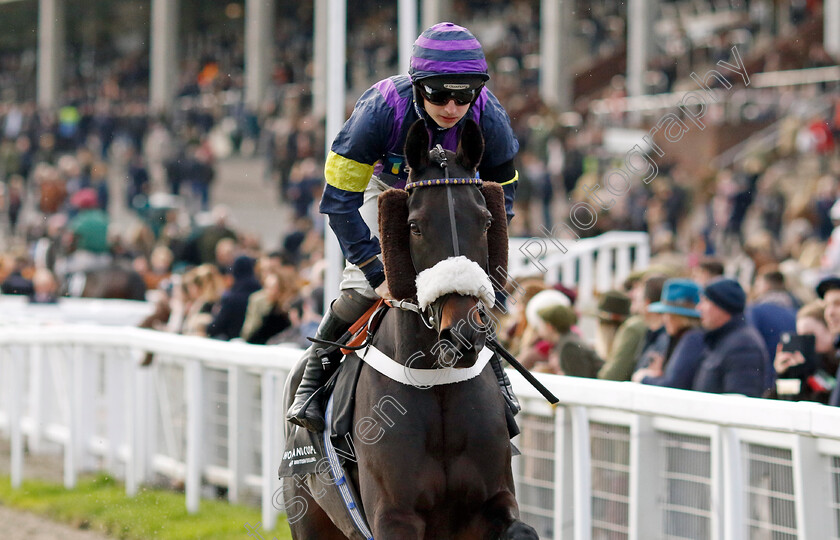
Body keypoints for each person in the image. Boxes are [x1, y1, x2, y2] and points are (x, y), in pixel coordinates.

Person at [287, 22, 520, 432]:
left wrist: (488, 262)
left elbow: (503, 197)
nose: (451, 106)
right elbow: (338, 201)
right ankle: (311, 380)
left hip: (456, 188)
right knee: (360, 288)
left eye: (464, 94)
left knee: (473, 284)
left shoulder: (489, 115)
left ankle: (495, 370)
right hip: (389, 188)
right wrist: (375, 272)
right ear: (417, 85)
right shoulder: (379, 110)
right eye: (438, 94)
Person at [692, 278, 767, 397]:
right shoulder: (721, 338)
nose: (699, 308)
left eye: (705, 301)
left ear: (721, 306)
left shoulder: (744, 346)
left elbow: (739, 403)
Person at [632, 279, 705, 389]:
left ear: (678, 317)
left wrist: (643, 378)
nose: (664, 319)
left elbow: (674, 384)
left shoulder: (692, 338)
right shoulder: (681, 337)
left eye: (667, 314)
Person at [773, 300, 836, 403]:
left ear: (830, 330)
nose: (804, 343)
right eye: (801, 337)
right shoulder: (803, 367)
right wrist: (785, 375)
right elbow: (781, 406)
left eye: (809, 336)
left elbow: (827, 402)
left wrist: (812, 369)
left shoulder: (834, 366)